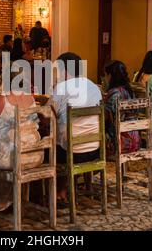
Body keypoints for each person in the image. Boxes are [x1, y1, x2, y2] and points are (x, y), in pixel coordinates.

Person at [0, 72, 42, 211]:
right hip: (35, 156)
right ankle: (8, 200)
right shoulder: (31, 99)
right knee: (2, 152)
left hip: (10, 159)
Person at [48, 52, 102, 201]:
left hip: (72, 153)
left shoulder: (61, 87)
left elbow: (48, 114)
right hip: (94, 150)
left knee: (45, 147)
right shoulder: (94, 87)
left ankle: (53, 192)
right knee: (68, 138)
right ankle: (64, 189)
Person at [104, 61, 141, 156]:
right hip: (135, 141)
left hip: (119, 144)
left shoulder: (114, 94)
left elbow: (105, 118)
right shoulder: (129, 91)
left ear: (110, 76)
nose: (105, 78)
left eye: (106, 75)